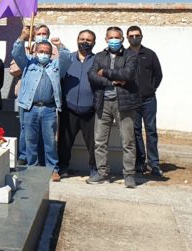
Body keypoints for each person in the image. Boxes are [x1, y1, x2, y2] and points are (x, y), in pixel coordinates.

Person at [11, 26, 70, 181]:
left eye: (46, 52)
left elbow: (67, 58)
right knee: (30, 141)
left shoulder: (56, 66)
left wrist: (59, 45)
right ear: (35, 52)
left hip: (49, 109)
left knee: (50, 141)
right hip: (30, 107)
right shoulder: (28, 64)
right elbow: (16, 53)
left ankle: (53, 169)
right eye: (41, 51)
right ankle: (33, 168)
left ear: (51, 54)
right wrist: (22, 36)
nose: (43, 54)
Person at [87, 26, 141, 188]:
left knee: (128, 141)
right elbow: (91, 75)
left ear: (122, 39)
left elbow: (128, 74)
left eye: (117, 38)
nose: (114, 41)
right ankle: (102, 172)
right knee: (100, 141)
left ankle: (129, 175)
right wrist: (111, 81)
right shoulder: (99, 56)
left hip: (124, 103)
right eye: (111, 38)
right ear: (105, 40)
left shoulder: (130, 55)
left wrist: (104, 72)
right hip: (102, 103)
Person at [59, 29, 98, 178]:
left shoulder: (98, 60)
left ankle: (94, 169)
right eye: (82, 39)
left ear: (94, 42)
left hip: (90, 110)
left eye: (88, 40)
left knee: (94, 143)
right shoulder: (67, 59)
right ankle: (63, 168)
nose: (85, 42)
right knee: (65, 142)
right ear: (77, 40)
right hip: (68, 109)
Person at [127, 25, 164, 177]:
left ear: (142, 36)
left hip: (149, 100)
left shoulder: (150, 54)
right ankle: (140, 163)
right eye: (131, 35)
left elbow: (158, 74)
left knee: (151, 131)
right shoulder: (124, 54)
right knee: (134, 132)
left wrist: (151, 88)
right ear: (127, 37)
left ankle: (154, 164)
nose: (134, 38)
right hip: (131, 100)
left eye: (137, 35)